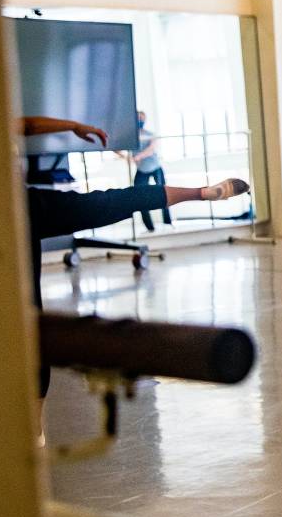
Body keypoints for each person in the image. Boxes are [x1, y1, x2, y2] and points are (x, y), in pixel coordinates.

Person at [22, 115, 249, 395]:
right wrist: (72, 126)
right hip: (16, 206)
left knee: (27, 324)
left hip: (15, 206)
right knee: (107, 203)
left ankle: (35, 430)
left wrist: (71, 127)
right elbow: (24, 125)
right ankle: (201, 192)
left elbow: (24, 125)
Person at [130, 110, 172, 231]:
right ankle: (149, 227)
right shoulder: (130, 137)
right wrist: (125, 157)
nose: (140, 121)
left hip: (155, 168)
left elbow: (151, 149)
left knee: (164, 194)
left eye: (142, 119)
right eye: (138, 118)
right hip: (141, 170)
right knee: (139, 197)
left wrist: (138, 157)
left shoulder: (150, 134)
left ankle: (167, 223)